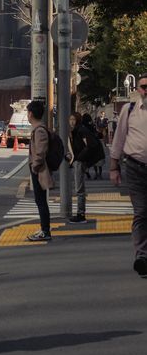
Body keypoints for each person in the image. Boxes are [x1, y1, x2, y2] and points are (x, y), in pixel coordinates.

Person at [110, 73, 147, 278]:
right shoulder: (130, 109)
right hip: (135, 168)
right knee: (141, 212)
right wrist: (113, 167)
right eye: (143, 87)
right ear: (138, 89)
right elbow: (119, 138)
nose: (146, 90)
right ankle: (142, 256)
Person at [67, 112, 104, 223]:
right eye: (70, 119)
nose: (72, 122)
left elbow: (90, 145)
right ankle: (80, 213)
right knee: (79, 188)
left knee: (79, 189)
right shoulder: (76, 130)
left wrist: (79, 157)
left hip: (80, 162)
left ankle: (81, 214)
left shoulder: (81, 130)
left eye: (74, 119)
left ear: (78, 120)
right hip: (79, 161)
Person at [26, 100, 54, 242]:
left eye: (28, 112)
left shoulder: (40, 131)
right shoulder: (38, 129)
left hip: (40, 170)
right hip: (38, 169)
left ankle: (45, 230)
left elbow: (41, 152)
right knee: (40, 200)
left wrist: (35, 166)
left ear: (31, 114)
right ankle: (44, 229)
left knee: (41, 201)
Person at [81, 113, 105, 179]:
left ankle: (87, 172)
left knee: (86, 160)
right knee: (97, 159)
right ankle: (98, 174)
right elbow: (97, 134)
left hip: (85, 144)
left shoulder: (82, 126)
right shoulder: (91, 126)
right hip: (94, 144)